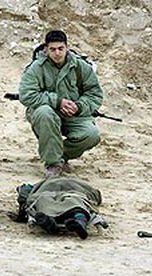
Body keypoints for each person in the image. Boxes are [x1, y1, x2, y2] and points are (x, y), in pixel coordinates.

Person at [19, 30, 104, 178]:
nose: (57, 53)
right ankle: (53, 163)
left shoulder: (80, 66)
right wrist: (57, 102)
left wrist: (79, 106)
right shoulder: (36, 68)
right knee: (44, 113)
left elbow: (94, 94)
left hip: (74, 115)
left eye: (60, 48)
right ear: (46, 49)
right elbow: (27, 95)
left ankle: (60, 155)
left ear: (67, 48)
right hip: (47, 114)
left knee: (92, 134)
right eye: (52, 49)